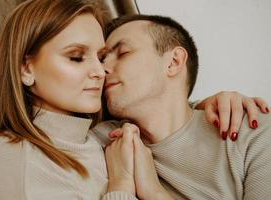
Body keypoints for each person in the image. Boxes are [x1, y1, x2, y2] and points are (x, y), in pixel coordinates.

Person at [0, 0, 267, 199]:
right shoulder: (94, 142)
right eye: (77, 57)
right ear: (25, 68)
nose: (102, 70)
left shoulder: (248, 130)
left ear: (174, 62)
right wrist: (123, 185)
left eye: (117, 54)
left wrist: (209, 104)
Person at [94, 14, 271, 200]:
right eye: (102, 59)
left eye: (123, 53)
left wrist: (154, 193)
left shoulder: (252, 130)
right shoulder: (102, 143)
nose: (102, 69)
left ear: (174, 62)